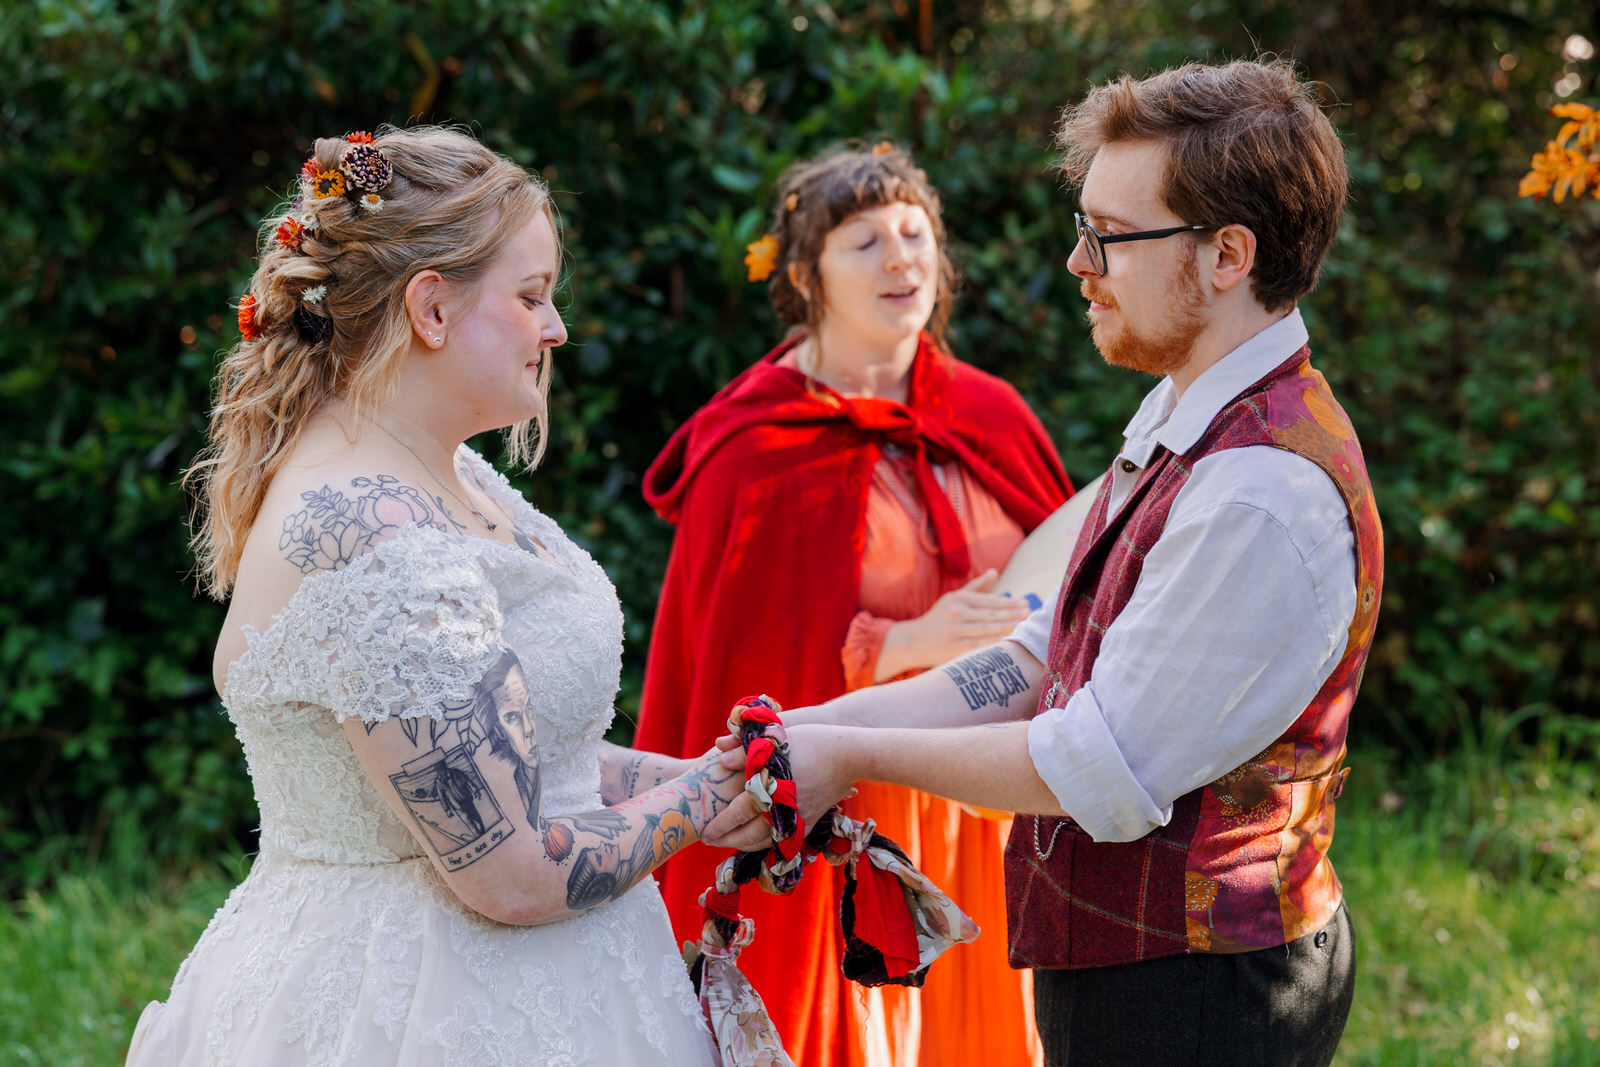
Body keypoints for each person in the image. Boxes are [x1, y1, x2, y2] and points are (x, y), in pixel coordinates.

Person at [705, 59, 1383, 1067]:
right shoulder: (1185, 411)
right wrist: (806, 727)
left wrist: (844, 754)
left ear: (1227, 254)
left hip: (1197, 998)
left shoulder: (1259, 491)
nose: (1078, 262)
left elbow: (1095, 765)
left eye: (1109, 235)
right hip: (1130, 974)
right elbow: (1040, 654)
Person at [127, 125, 739, 1065]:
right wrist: (700, 800)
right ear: (432, 309)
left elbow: (533, 758)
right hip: (420, 1004)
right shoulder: (376, 539)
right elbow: (511, 873)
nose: (556, 328)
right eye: (532, 296)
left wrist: (721, 773)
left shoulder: (444, 473)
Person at [635, 143, 1072, 1067]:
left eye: (916, 235)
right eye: (865, 241)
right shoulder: (754, 448)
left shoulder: (990, 414)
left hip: (979, 802)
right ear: (806, 275)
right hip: (843, 815)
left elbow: (1077, 578)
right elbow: (739, 669)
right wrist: (901, 641)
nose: (901, 258)